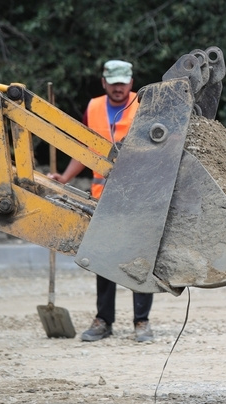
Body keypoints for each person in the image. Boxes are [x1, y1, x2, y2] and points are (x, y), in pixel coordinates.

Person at [49, 59, 154, 343]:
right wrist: (65, 178)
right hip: (103, 200)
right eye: (113, 83)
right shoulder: (94, 107)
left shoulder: (145, 106)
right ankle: (103, 320)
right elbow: (85, 149)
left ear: (131, 83)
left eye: (123, 83)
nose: (118, 88)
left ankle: (141, 322)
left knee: (139, 260)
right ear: (104, 82)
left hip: (138, 198)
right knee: (103, 260)